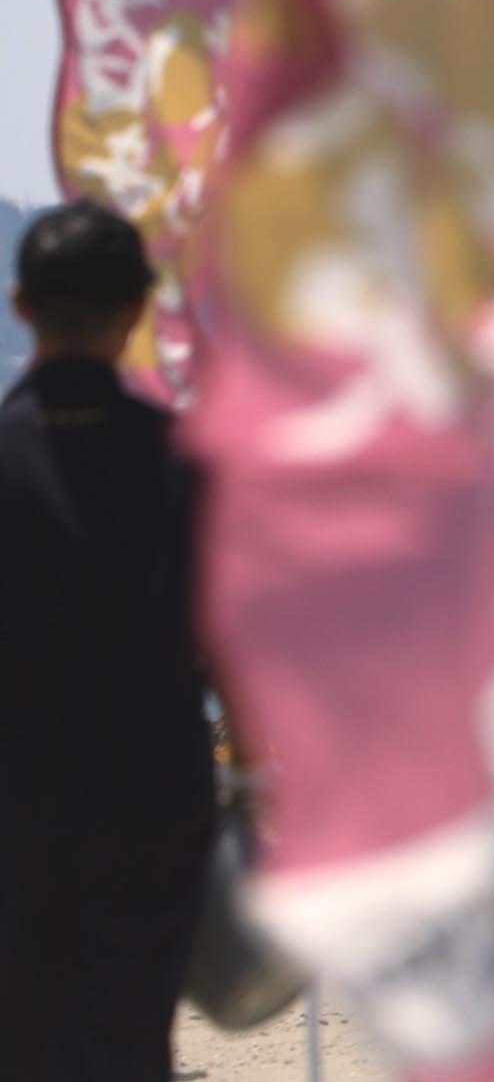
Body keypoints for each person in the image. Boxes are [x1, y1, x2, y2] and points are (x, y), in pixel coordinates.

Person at [0, 202, 214, 1080]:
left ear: (20, 306)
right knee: (129, 1042)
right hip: (151, 805)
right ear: (138, 308)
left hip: (15, 806)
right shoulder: (184, 464)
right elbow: (233, 640)